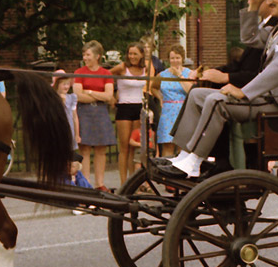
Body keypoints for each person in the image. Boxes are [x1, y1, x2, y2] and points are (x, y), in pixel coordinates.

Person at [156, 0, 278, 179]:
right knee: (197, 95)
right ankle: (185, 155)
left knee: (216, 101)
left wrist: (244, 91)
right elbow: (250, 38)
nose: (268, 1)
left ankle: (194, 161)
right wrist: (252, 5)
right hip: (266, 98)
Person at [73, 40, 116, 192]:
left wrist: (89, 92)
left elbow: (109, 96)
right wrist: (99, 95)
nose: (85, 57)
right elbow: (78, 95)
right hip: (84, 112)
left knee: (101, 150)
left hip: (101, 113)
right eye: (84, 54)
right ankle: (87, 184)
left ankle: (100, 183)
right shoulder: (79, 72)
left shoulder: (106, 73)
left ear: (97, 56)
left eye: (88, 54)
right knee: (84, 149)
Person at [111, 42, 152, 184]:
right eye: (130, 53)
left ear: (141, 54)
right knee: (124, 147)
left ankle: (133, 181)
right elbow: (107, 75)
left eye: (135, 53)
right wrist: (112, 94)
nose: (132, 56)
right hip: (124, 107)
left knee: (135, 147)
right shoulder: (123, 67)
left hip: (138, 106)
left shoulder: (145, 68)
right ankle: (123, 182)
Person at [152, 44, 195, 157]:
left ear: (182, 58)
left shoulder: (189, 74)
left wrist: (179, 75)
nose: (175, 61)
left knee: (183, 145)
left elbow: (190, 90)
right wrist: (160, 97)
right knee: (168, 145)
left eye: (177, 58)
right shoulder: (162, 75)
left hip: (184, 111)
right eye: (172, 58)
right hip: (168, 112)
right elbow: (153, 87)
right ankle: (166, 171)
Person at [52, 69, 80, 150]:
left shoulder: (71, 98)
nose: (66, 86)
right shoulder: (52, 98)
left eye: (68, 84)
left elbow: (74, 117)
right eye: (64, 84)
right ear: (57, 84)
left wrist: (76, 134)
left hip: (69, 130)